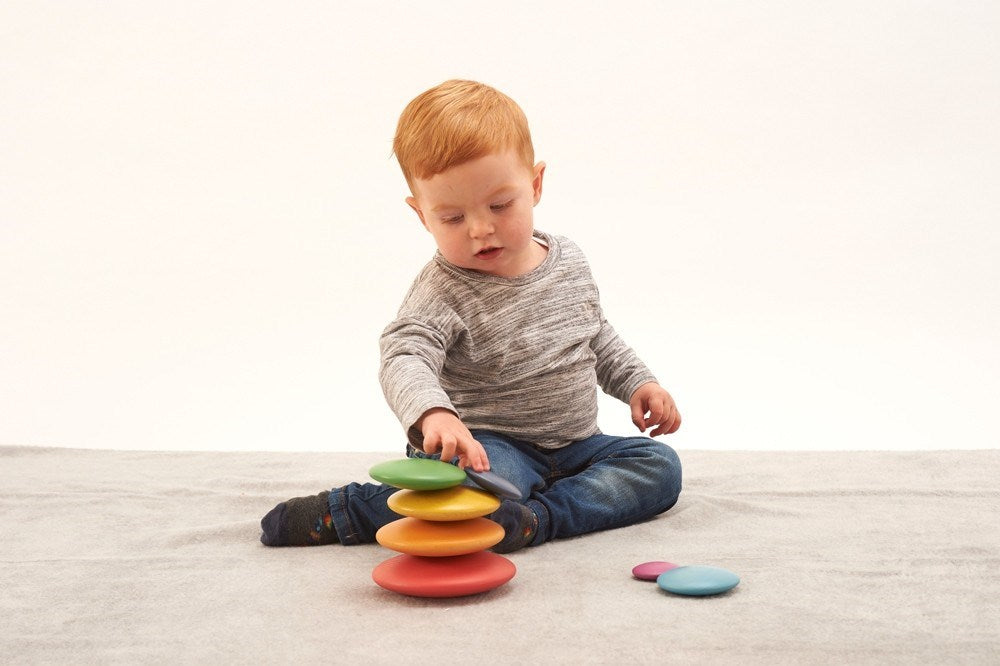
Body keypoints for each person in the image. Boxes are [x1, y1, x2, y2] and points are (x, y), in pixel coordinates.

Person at [260, 79, 682, 553]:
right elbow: (404, 353)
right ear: (421, 215)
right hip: (487, 449)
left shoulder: (570, 260)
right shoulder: (443, 288)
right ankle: (349, 511)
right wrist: (434, 414)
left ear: (536, 185)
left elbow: (596, 336)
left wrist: (640, 384)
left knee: (659, 467)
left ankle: (533, 518)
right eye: (453, 218)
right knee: (470, 491)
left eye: (500, 205)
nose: (481, 229)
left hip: (578, 444)